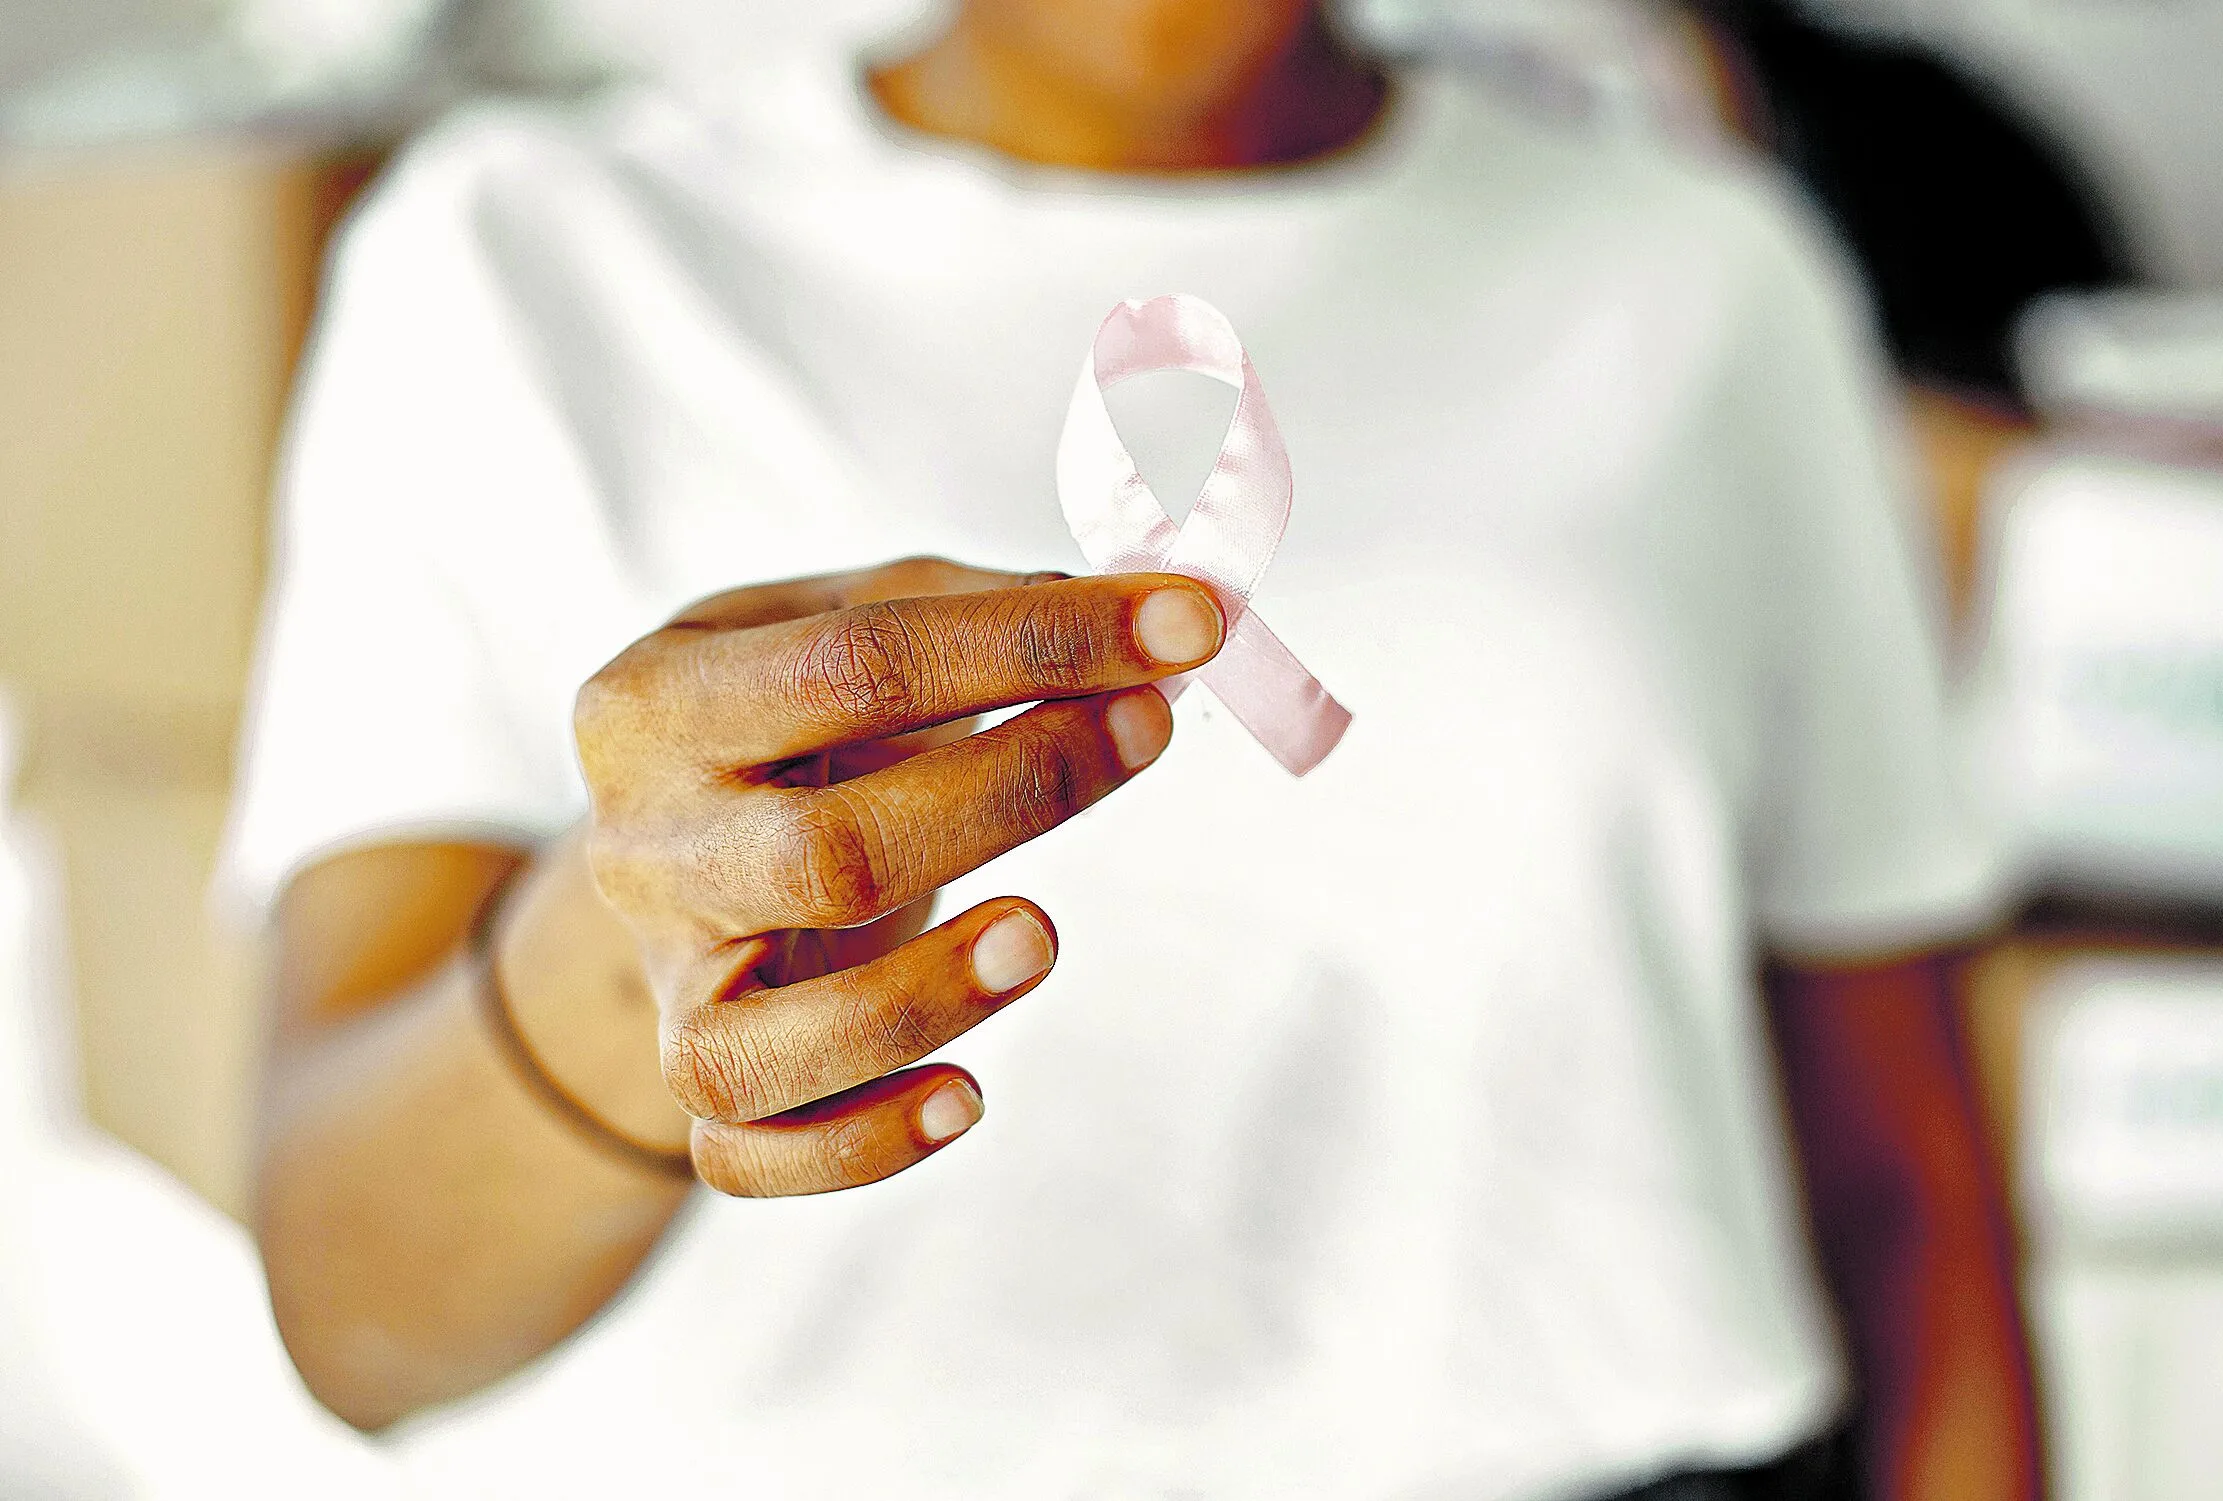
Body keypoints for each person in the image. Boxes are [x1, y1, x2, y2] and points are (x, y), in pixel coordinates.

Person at [225, 2, 2040, 1496]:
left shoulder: (1706, 279)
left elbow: (1911, 1199)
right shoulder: (526, 260)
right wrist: (634, 976)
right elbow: (348, 1313)